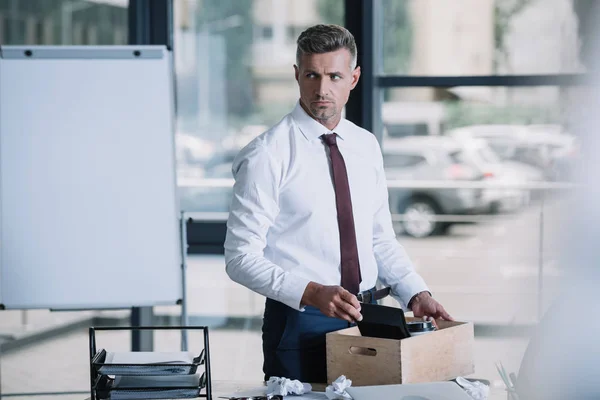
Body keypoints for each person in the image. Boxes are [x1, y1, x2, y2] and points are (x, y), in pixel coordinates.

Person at [224, 24, 452, 384]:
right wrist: (312, 293)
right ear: (297, 75)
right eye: (312, 75)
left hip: (370, 315)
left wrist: (415, 292)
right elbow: (239, 259)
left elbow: (379, 239)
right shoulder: (267, 155)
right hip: (300, 320)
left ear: (354, 78)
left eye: (334, 75)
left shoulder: (365, 146)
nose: (322, 88)